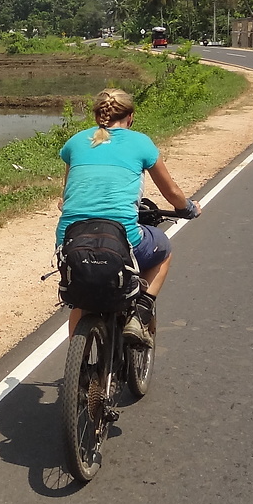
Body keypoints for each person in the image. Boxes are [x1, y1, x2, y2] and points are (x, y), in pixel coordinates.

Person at [57, 88, 200, 344]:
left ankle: (78, 368)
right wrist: (188, 208)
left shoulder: (75, 142)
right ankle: (141, 311)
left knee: (82, 296)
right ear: (130, 117)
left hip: (70, 240)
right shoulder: (141, 143)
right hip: (122, 238)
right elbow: (172, 192)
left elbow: (67, 194)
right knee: (164, 249)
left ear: (97, 115)